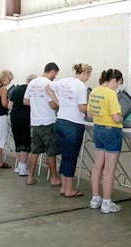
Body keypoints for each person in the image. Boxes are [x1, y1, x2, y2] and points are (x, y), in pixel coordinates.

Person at [46, 63, 91, 197]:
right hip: (74, 124)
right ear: (84, 73)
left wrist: (58, 101)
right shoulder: (81, 86)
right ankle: (69, 189)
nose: (88, 78)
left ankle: (64, 188)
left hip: (60, 121)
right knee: (71, 157)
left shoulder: (64, 81)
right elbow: (82, 107)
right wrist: (93, 111)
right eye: (88, 75)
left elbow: (47, 87)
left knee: (65, 156)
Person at [87, 69, 125, 214]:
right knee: (109, 169)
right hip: (112, 131)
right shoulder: (111, 93)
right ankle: (107, 203)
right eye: (119, 83)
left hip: (98, 129)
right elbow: (116, 117)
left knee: (97, 166)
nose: (118, 87)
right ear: (114, 80)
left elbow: (89, 114)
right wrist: (122, 117)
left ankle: (95, 199)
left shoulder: (94, 91)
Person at [22, 63, 62, 186]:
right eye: (55, 74)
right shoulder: (48, 84)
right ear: (52, 71)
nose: (55, 77)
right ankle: (54, 178)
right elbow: (53, 105)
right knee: (50, 151)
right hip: (47, 121)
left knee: (35, 151)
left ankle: (30, 177)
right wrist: (59, 104)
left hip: (34, 122)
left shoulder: (32, 83)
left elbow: (25, 101)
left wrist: (36, 104)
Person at [9, 74, 36, 176]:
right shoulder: (31, 90)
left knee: (18, 141)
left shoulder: (16, 89)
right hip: (26, 118)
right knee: (25, 142)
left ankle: (19, 166)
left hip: (14, 117)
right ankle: (24, 168)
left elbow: (9, 105)